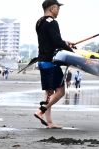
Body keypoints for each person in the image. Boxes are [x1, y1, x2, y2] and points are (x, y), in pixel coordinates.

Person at [34, 0, 74, 129]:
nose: (59, 11)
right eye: (58, 8)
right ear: (52, 8)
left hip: (42, 61)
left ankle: (49, 122)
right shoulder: (53, 23)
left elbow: (50, 40)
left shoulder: (39, 22)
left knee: (49, 93)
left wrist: (65, 42)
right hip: (51, 62)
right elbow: (56, 42)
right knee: (61, 91)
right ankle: (41, 110)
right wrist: (71, 50)